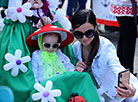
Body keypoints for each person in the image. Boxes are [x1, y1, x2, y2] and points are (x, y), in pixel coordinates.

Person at [71, 9, 138, 102]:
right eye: (78, 34)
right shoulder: (75, 48)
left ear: (95, 28)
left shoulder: (105, 46)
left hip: (117, 96)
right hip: (93, 96)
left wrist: (130, 88)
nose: (84, 38)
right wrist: (75, 70)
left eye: (89, 33)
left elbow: (116, 67)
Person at [110, 0, 138, 73]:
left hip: (126, 7)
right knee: (129, 38)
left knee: (125, 37)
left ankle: (122, 68)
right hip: (124, 6)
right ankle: (126, 71)